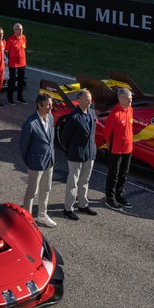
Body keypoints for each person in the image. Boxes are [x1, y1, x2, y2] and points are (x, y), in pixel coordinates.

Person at [19, 94, 57, 227]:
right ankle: (27, 219)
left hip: (49, 161)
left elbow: (50, 140)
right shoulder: (30, 123)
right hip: (35, 163)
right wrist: (30, 162)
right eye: (48, 105)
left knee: (46, 189)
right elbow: (23, 147)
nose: (50, 107)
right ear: (39, 105)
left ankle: (42, 215)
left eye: (51, 104)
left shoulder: (51, 118)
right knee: (32, 192)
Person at [60, 89, 99, 219]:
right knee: (73, 182)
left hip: (90, 153)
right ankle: (68, 208)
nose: (90, 102)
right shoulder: (73, 117)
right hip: (76, 154)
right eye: (87, 99)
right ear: (79, 100)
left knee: (85, 181)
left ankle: (83, 204)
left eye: (90, 99)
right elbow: (65, 138)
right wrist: (73, 149)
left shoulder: (92, 113)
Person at [102, 87, 135, 210]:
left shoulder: (130, 110)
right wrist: (111, 145)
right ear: (120, 99)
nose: (130, 101)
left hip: (128, 149)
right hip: (116, 150)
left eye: (131, 99)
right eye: (127, 99)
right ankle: (110, 198)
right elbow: (107, 133)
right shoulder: (114, 114)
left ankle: (119, 195)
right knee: (113, 175)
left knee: (124, 174)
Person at [5, 22, 28, 104]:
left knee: (21, 80)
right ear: (15, 30)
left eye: (22, 29)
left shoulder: (23, 37)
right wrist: (11, 58)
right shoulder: (10, 39)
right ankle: (9, 98)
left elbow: (24, 48)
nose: (21, 31)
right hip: (13, 63)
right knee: (12, 80)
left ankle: (20, 97)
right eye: (19, 29)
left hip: (22, 62)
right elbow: (6, 52)